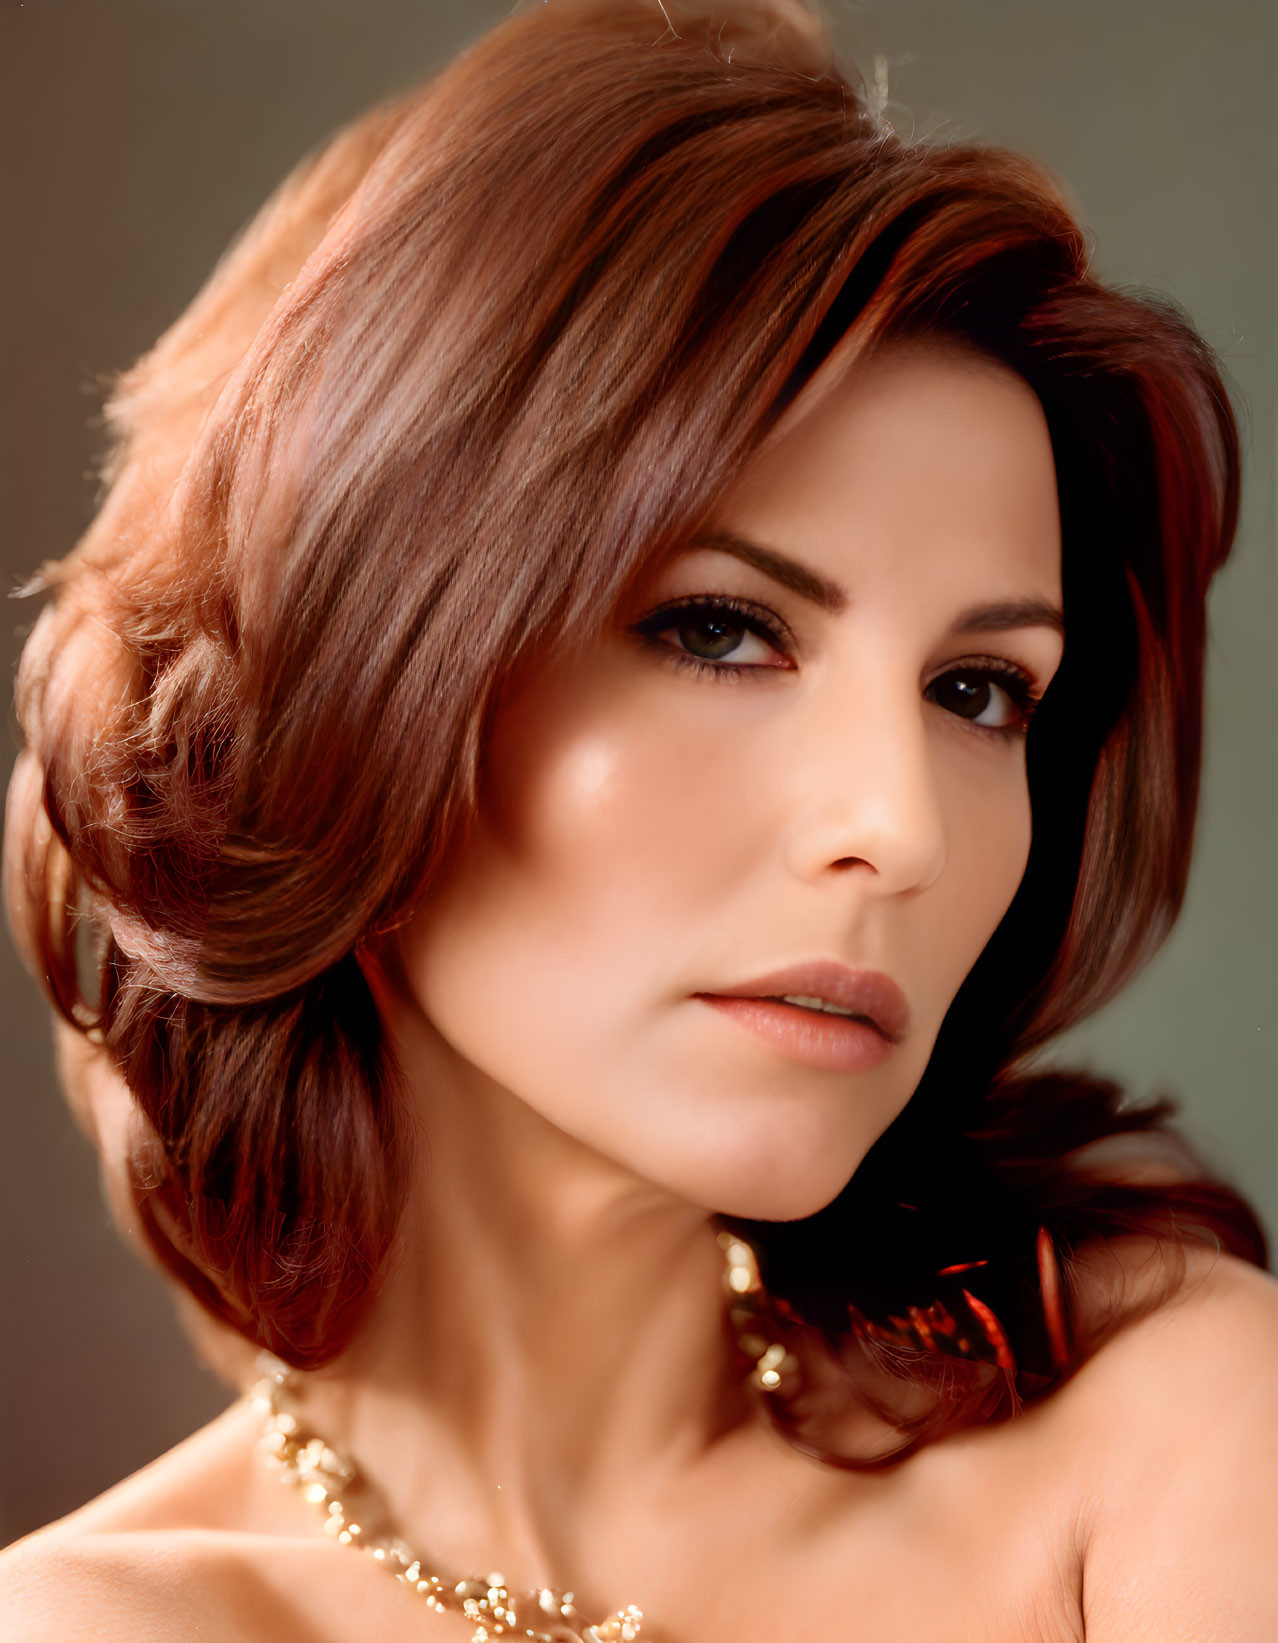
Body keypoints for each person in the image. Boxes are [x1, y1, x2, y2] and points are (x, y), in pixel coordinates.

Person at [2, 0, 1275, 1637]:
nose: (901, 830)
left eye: (976, 691)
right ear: (359, 668)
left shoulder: (1165, 1426)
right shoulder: (106, 1623)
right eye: (719, 631)